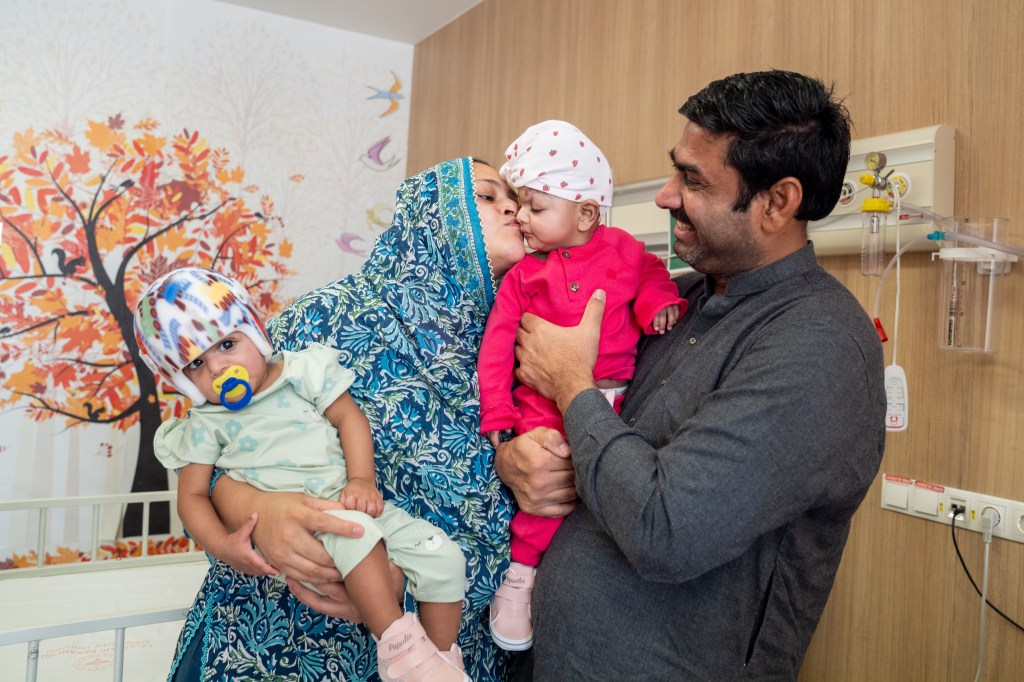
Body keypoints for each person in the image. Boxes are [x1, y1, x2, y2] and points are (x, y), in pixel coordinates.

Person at [496, 70, 887, 680]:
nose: (665, 195)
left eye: (693, 180)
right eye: (675, 169)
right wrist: (514, 457)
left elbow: (667, 530)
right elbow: (575, 434)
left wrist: (571, 385)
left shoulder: (819, 344)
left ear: (777, 202)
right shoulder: (671, 302)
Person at [158, 158, 528, 681]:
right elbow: (221, 448)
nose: (511, 205)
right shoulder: (329, 315)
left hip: (452, 645)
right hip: (283, 640)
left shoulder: (522, 346)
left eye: (515, 195)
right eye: (488, 195)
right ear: (432, 215)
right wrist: (262, 509)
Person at [135, 266, 471, 681]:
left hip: (350, 502)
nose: (219, 368)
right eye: (197, 364)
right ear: (181, 381)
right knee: (358, 537)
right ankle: (402, 653)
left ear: (254, 331)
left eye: (227, 344)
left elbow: (349, 417)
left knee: (444, 557)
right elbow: (193, 497)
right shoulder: (206, 424)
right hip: (314, 525)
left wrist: (362, 480)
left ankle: (438, 660)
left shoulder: (303, 372)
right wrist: (223, 544)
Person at [477, 120, 684, 652]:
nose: (520, 216)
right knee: (546, 485)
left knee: (613, 483)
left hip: (618, 399)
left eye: (535, 207)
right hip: (541, 403)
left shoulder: (624, 250)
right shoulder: (525, 276)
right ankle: (520, 578)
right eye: (519, 204)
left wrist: (657, 304)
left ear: (587, 213)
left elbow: (652, 277)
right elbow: (498, 346)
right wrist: (498, 416)